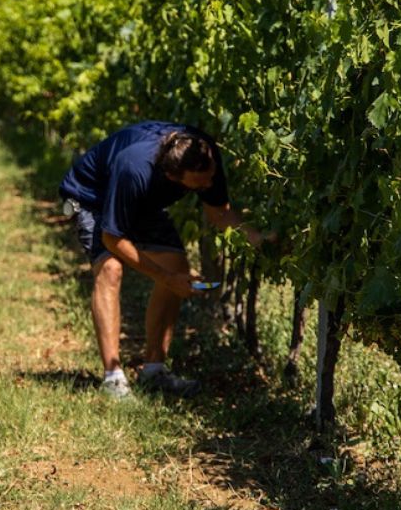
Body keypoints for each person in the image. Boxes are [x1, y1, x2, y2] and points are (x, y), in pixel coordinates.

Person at [59, 121, 268, 399]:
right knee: (110, 268)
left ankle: (154, 371)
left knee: (177, 265)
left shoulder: (202, 155)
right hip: (89, 196)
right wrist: (166, 278)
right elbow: (112, 239)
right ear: (173, 177)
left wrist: (262, 242)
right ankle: (113, 378)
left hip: (141, 200)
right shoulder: (134, 169)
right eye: (200, 182)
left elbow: (219, 214)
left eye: (211, 177)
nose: (209, 184)